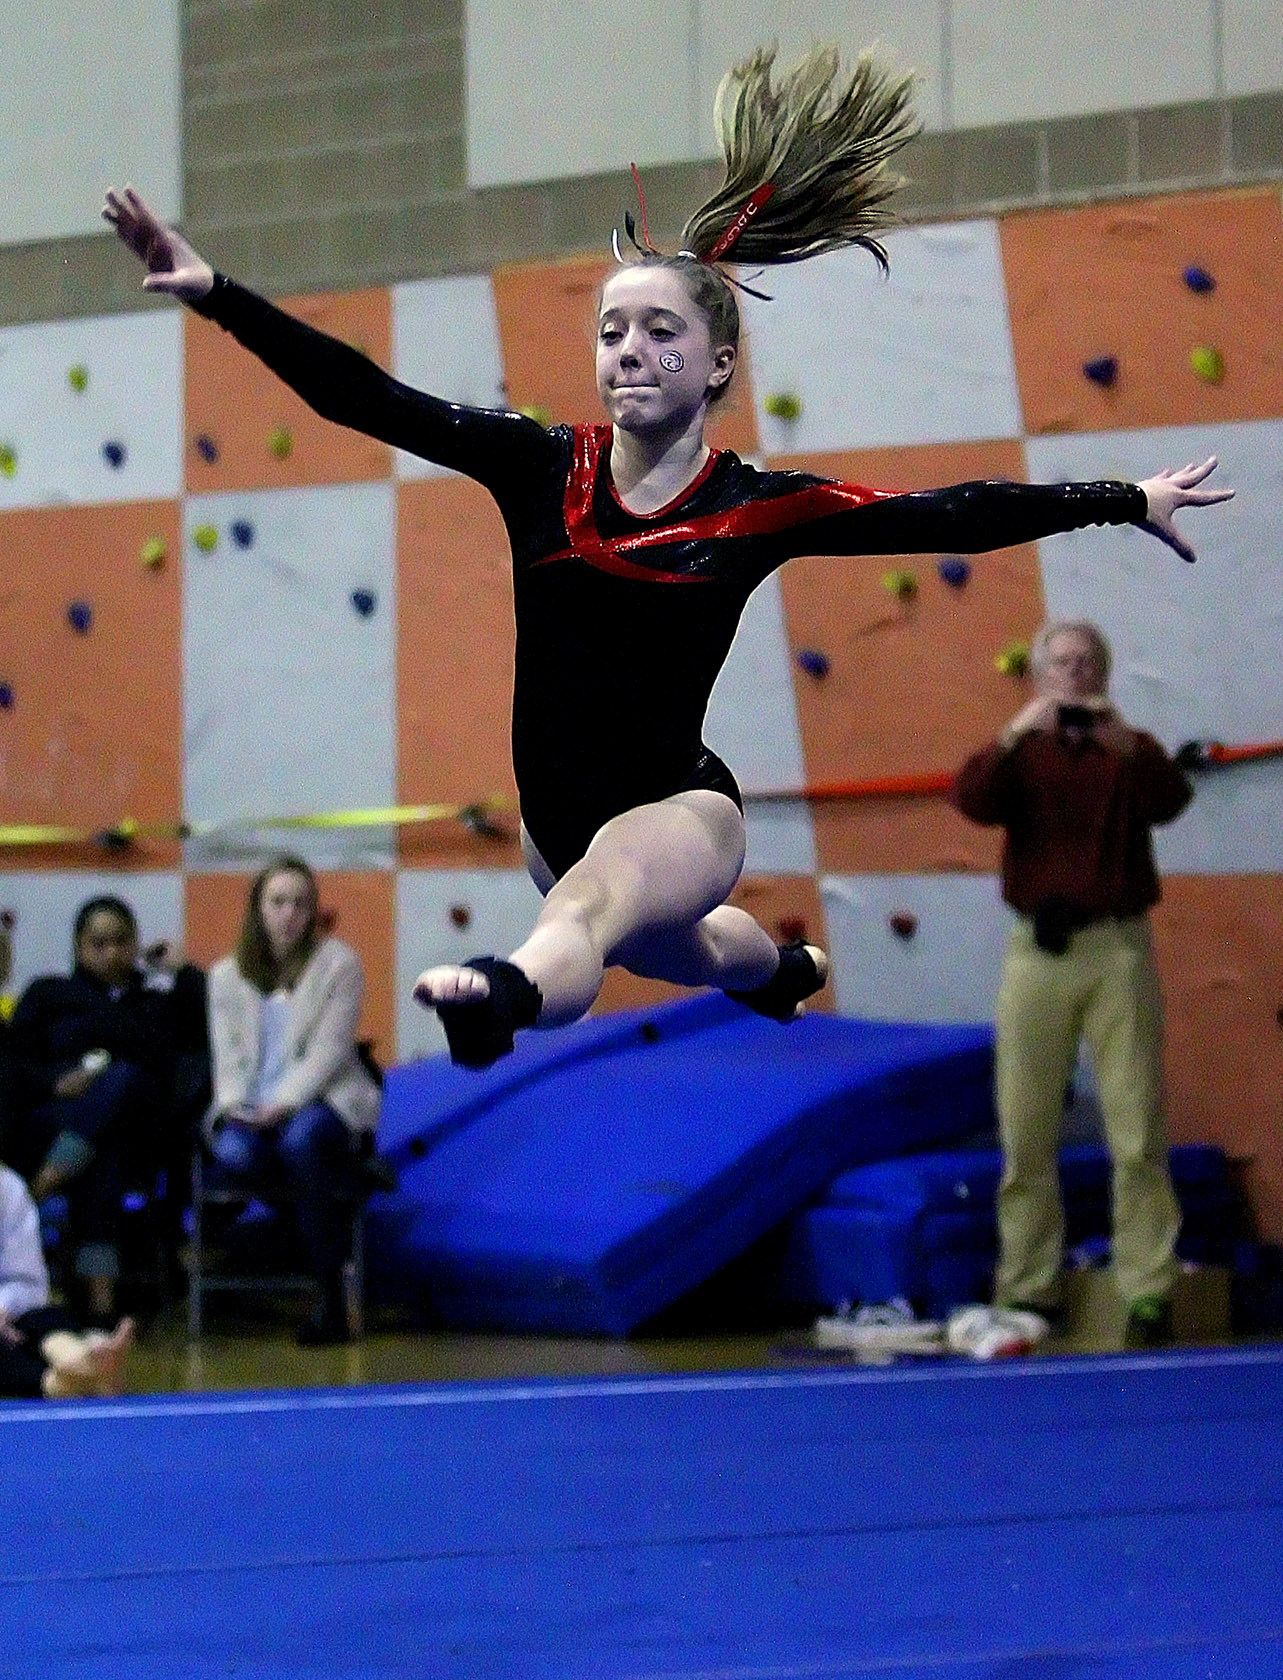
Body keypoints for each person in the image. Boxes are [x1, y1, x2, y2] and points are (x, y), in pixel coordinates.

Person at [104, 45, 1232, 1072]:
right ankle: (779, 973)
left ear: (716, 361)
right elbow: (366, 395)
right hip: (558, 822)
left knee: (589, 913)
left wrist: (1118, 495)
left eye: (658, 332)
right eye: (608, 333)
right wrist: (219, 296)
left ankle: (493, 999)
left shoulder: (757, 508)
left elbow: (947, 512)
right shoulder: (537, 467)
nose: (627, 353)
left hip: (682, 811)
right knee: (681, 949)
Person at [952, 620, 1194, 1348]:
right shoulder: (1020, 751)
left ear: (1105, 673)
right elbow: (971, 798)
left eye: (1088, 663)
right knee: (1025, 1132)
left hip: (1116, 947)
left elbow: (1171, 800)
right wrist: (1016, 727)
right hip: (1036, 952)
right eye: (1060, 663)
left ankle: (1147, 1289)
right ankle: (1029, 1286)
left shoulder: (1127, 750)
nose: (1075, 674)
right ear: (1038, 674)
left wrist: (1125, 740)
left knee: (1135, 1132)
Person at [6, 897, 208, 1321]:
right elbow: (12, 1064)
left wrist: (182, 971)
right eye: (98, 943)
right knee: (103, 1151)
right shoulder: (49, 994)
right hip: (53, 1123)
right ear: (79, 947)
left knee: (124, 1080)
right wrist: (55, 1081)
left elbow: (208, 1032)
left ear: (135, 944)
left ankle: (42, 1186)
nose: (111, 952)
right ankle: (102, 1306)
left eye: (121, 941)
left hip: (139, 1134)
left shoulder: (153, 1003)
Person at [205, 857, 380, 1345]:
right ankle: (316, 1225)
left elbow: (329, 1053)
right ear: (258, 909)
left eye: (301, 903)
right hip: (250, 1106)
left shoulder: (340, 964)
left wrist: (281, 1105)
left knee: (302, 1141)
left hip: (322, 1101)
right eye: (278, 902)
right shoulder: (224, 975)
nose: (289, 914)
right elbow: (228, 1058)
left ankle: (328, 1294)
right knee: (233, 1155)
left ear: (313, 910)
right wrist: (239, 1107)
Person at [0, 1159, 134, 1399]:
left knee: (44, 1317)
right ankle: (63, 1381)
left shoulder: (8, 1186)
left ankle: (81, 1356)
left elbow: (28, 1281)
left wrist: (2, 1307)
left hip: (9, 1321)